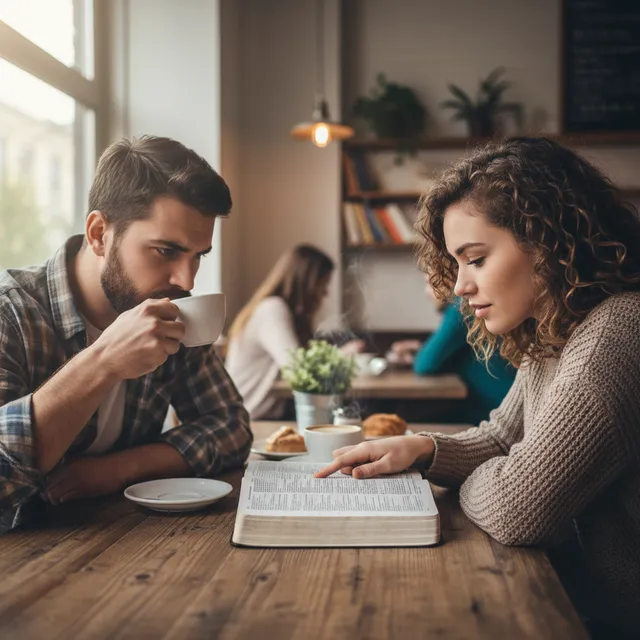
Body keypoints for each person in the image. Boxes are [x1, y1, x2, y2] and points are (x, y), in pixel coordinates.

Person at [316, 137, 640, 637]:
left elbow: (518, 509)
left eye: (476, 258)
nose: (460, 287)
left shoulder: (617, 330)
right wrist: (424, 449)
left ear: (550, 240)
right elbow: (501, 439)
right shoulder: (556, 333)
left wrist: (506, 474)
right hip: (575, 601)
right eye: (457, 262)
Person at [0, 135, 252, 534]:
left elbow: (231, 426)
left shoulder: (172, 307)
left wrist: (120, 469)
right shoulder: (10, 313)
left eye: (198, 256)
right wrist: (102, 362)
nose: (185, 280)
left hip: (129, 546)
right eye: (166, 251)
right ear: (99, 233)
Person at [226, 245, 363, 419]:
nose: (325, 293)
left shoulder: (278, 309)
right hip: (252, 417)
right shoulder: (272, 309)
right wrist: (344, 354)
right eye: (323, 283)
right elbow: (297, 368)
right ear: (307, 281)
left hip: (269, 412)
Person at [388, 275, 515, 424]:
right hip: (494, 406)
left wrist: (416, 356)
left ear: (449, 280)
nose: (426, 292)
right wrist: (417, 352)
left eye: (431, 283)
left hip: (495, 412)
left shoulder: (460, 306)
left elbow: (424, 365)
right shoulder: (465, 306)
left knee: (406, 417)